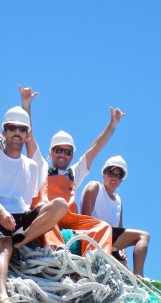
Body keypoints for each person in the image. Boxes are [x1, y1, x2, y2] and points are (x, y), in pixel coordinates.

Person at [0, 101, 67, 298]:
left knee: (60, 205)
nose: (17, 132)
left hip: (21, 214)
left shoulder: (31, 166)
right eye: (12, 128)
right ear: (4, 132)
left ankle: (21, 242)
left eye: (21, 129)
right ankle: (0, 295)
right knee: (2, 250)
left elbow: (30, 198)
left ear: (26, 134)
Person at [27, 107, 125, 256]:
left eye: (68, 152)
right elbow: (29, 137)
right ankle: (55, 250)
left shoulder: (74, 173)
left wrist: (112, 125)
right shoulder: (41, 167)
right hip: (48, 215)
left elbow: (95, 148)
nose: (63, 155)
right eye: (59, 150)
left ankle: (95, 260)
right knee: (47, 212)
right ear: (51, 152)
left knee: (103, 227)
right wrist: (26, 104)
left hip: (70, 220)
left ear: (72, 156)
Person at [81, 156, 150, 277]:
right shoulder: (95, 187)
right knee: (142, 236)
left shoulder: (118, 200)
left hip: (111, 240)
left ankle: (139, 277)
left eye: (118, 176)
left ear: (121, 180)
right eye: (111, 173)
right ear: (103, 174)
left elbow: (120, 228)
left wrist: (122, 251)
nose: (114, 178)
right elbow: (85, 218)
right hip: (94, 235)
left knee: (128, 275)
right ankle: (138, 275)